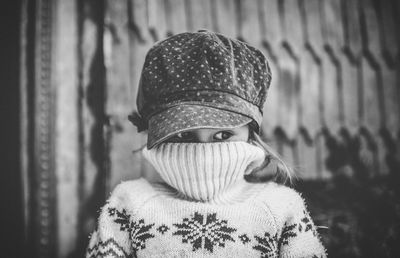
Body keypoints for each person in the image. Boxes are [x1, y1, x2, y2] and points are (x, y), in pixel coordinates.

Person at [86, 30, 327, 258]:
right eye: (183, 135)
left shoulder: (282, 207)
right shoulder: (128, 204)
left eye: (223, 135)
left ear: (251, 136)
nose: (203, 153)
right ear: (153, 135)